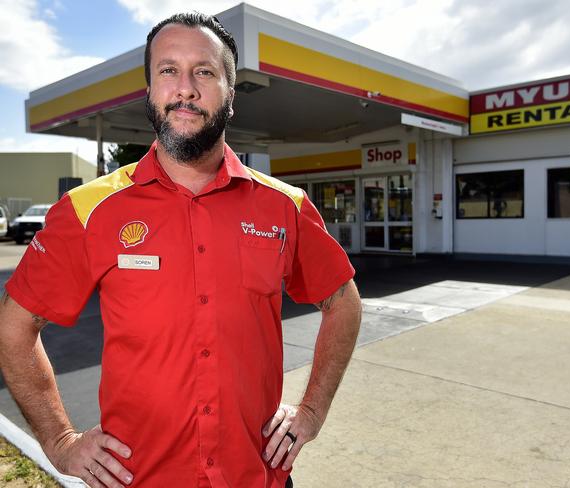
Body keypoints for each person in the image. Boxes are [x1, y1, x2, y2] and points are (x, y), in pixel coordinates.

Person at [0, 12, 361, 488]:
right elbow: (15, 327)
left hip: (258, 479)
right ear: (150, 89)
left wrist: (312, 409)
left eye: (205, 72)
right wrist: (60, 440)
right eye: (168, 70)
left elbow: (343, 303)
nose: (185, 88)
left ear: (231, 95)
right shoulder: (89, 210)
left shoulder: (285, 207)